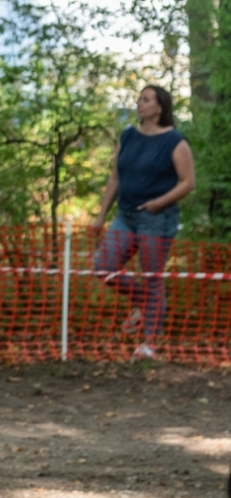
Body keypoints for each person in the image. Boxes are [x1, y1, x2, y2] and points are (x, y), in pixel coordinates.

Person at [90, 84, 195, 360]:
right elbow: (115, 178)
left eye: (146, 100)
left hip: (157, 219)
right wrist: (101, 215)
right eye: (139, 99)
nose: (139, 103)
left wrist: (160, 202)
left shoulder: (175, 141)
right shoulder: (128, 137)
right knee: (104, 266)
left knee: (151, 276)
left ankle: (149, 342)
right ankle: (144, 303)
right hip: (125, 215)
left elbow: (188, 182)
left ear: (160, 107)